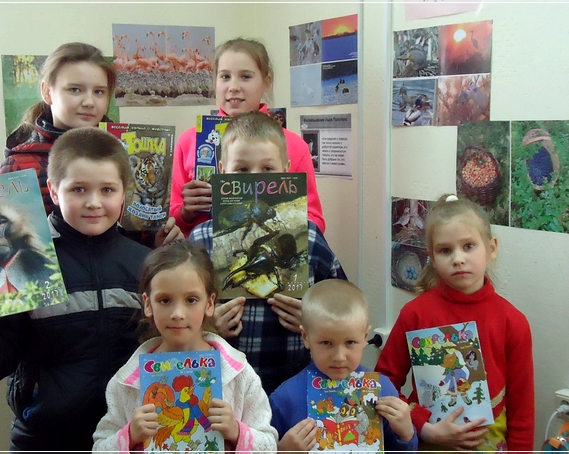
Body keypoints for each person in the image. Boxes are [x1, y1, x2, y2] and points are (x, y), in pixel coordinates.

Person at [0, 128, 154, 451]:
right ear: (52, 190)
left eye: (107, 189)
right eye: (78, 189)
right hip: (44, 439)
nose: (94, 202)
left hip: (128, 438)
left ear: (124, 193)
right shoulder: (21, 260)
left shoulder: (146, 265)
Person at [189, 111, 346, 394]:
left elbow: (345, 308)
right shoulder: (199, 241)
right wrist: (206, 327)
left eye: (267, 168)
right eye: (241, 170)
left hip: (293, 386)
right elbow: (176, 313)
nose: (256, 181)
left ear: (286, 170)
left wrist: (314, 322)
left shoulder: (310, 237)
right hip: (222, 389)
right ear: (222, 171)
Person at [375, 194, 535, 452]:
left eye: (468, 246)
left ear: (492, 248)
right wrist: (423, 427)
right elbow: (382, 384)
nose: (458, 258)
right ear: (431, 256)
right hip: (427, 442)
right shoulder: (415, 314)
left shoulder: (513, 322)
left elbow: (522, 412)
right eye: (445, 250)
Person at [92, 240, 278, 452]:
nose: (178, 314)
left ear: (210, 303)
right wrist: (130, 435)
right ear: (148, 304)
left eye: (191, 300)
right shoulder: (126, 383)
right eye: (165, 300)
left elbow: (269, 445)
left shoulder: (240, 375)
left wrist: (237, 432)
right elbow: (100, 447)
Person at [0, 41, 181, 247]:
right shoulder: (19, 165)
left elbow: (136, 233)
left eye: (99, 92)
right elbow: (15, 243)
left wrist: (157, 240)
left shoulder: (128, 152)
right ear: (47, 92)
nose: (89, 102)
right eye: (75, 90)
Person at [170, 37, 326, 237]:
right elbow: (171, 218)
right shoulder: (189, 142)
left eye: (245, 76)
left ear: (267, 82)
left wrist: (284, 212)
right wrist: (185, 212)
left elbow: (315, 221)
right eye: (225, 76)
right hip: (201, 252)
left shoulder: (294, 145)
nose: (233, 86)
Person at [269, 280, 418, 452]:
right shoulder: (285, 399)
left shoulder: (383, 390)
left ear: (365, 337)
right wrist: (282, 450)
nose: (339, 357)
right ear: (306, 338)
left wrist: (407, 434)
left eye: (350, 342)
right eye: (326, 343)